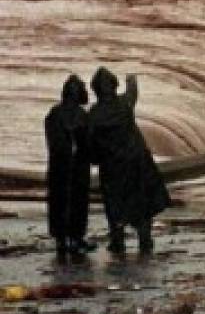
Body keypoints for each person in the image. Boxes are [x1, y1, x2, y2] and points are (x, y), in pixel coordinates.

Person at [88, 68, 170, 255]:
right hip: (136, 161)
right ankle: (145, 239)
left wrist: (94, 159)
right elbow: (133, 90)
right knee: (142, 203)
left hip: (112, 167)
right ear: (115, 86)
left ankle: (117, 241)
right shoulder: (125, 104)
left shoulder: (94, 114)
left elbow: (91, 144)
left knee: (115, 205)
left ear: (96, 90)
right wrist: (131, 77)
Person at [45, 75, 94, 256]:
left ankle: (70, 239)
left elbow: (87, 142)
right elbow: (55, 141)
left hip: (70, 165)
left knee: (71, 201)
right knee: (68, 201)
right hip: (67, 165)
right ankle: (67, 239)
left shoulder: (70, 114)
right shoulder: (64, 114)